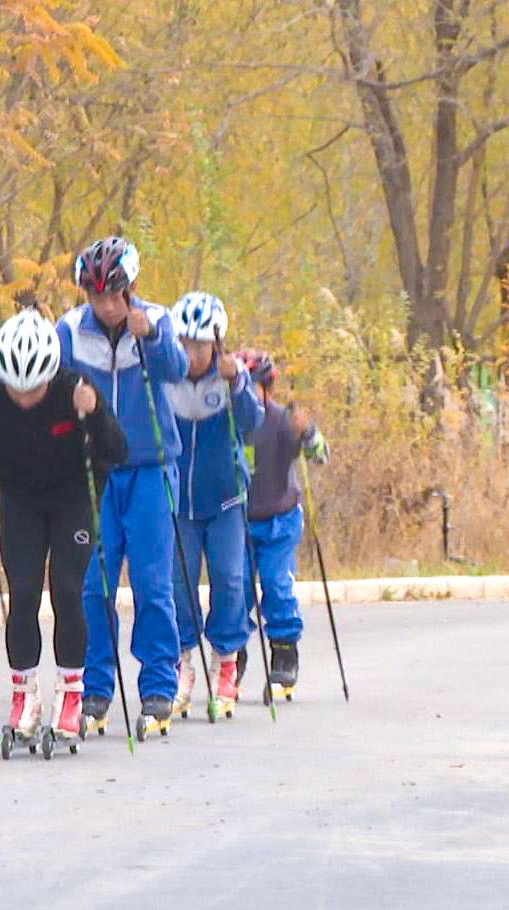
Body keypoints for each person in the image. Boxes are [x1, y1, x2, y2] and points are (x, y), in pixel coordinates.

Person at [0, 308, 127, 746]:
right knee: (22, 594)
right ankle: (25, 695)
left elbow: (119, 450)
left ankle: (71, 695)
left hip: (75, 493)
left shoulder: (73, 386)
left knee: (69, 590)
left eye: (32, 388)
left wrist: (93, 416)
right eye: (16, 389)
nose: (23, 398)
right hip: (19, 497)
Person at [55, 235, 190, 738]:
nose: (107, 307)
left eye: (115, 295)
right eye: (96, 297)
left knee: (154, 584)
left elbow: (177, 373)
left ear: (131, 289)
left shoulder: (157, 319)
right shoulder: (70, 329)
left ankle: (158, 685)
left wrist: (151, 336)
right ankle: (95, 689)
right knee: (93, 584)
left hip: (152, 467)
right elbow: (52, 383)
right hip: (95, 472)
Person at [164, 292, 263, 719]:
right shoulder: (163, 377)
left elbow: (253, 426)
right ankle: (183, 661)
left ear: (216, 346)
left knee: (229, 577)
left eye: (200, 345)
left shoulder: (233, 378)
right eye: (183, 343)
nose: (191, 354)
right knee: (178, 585)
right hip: (177, 504)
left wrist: (238, 385)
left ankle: (225, 661)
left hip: (224, 500)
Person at [238, 349, 330, 698]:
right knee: (235, 589)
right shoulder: (231, 421)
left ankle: (284, 653)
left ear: (268, 389)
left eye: (254, 387)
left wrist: (306, 433)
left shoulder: (280, 421)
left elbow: (320, 454)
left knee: (277, 584)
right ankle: (234, 651)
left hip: (279, 519)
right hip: (239, 523)